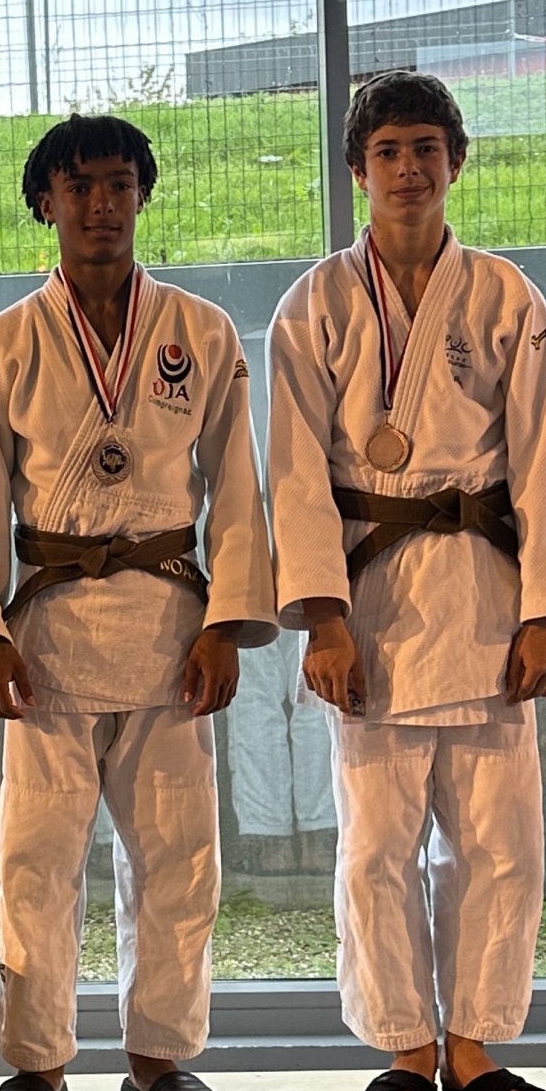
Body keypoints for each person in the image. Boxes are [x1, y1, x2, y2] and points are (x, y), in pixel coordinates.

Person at [0, 116, 276, 1091]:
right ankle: (36, 1062)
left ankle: (159, 1055)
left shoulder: (201, 333)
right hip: (46, 637)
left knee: (179, 854)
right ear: (44, 202)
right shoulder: (5, 344)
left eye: (119, 184)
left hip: (171, 629)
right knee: (37, 859)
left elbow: (238, 488)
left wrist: (228, 622)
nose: (99, 205)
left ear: (142, 196)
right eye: (78, 186)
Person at [269, 71, 546, 1091]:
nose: (408, 169)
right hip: (370, 600)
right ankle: (406, 1044)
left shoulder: (506, 296)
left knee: (502, 841)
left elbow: (545, 458)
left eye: (425, 148)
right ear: (356, 171)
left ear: (457, 161)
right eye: (388, 151)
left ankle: (476, 1045)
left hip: (488, 594)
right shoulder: (313, 304)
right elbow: (294, 476)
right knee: (376, 847)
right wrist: (321, 617)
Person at [222, 332, 336, 874]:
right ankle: (284, 830)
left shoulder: (306, 332)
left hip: (305, 519)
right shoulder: (213, 337)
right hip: (242, 524)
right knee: (265, 692)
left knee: (307, 685)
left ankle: (309, 829)